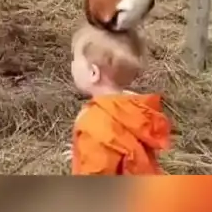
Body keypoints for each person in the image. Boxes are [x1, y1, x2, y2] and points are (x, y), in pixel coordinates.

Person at [69, 24, 170, 175]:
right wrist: (83, 152)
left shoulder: (95, 123)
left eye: (75, 59)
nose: (72, 64)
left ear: (93, 73)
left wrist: (90, 152)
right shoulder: (133, 109)